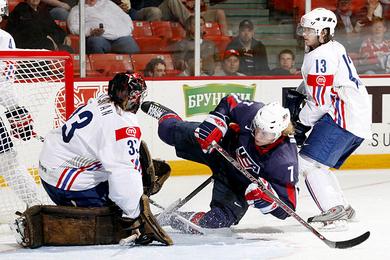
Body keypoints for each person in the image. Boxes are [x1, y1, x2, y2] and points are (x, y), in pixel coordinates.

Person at [29, 73, 172, 247]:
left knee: (123, 185)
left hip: (53, 164)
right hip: (64, 181)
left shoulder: (101, 100)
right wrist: (133, 215)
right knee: (113, 218)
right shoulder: (123, 125)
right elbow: (124, 172)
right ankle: (47, 223)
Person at [141, 95, 299, 231]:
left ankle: (173, 218)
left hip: (236, 184)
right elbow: (230, 101)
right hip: (217, 146)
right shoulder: (253, 112)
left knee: (215, 222)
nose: (257, 135)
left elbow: (288, 208)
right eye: (256, 128)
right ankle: (165, 115)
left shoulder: (284, 162)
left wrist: (267, 200)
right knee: (167, 131)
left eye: (265, 133)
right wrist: (217, 123)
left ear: (279, 133)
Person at [290, 8, 371, 228]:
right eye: (304, 29)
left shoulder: (320, 55)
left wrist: (299, 124)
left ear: (324, 32)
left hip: (342, 117)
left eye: (309, 30)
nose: (304, 34)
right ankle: (342, 208)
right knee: (319, 166)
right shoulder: (333, 47)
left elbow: (320, 103)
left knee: (306, 163)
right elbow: (323, 85)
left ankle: (333, 210)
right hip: (354, 118)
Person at [0, 0, 44, 214]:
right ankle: (35, 209)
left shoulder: (4, 38)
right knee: (9, 165)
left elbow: (3, 82)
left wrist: (14, 111)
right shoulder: (4, 38)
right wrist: (14, 110)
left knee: (9, 163)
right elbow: (4, 84)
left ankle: (35, 208)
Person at [67, 0, 140, 54]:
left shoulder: (108, 3)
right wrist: (90, 31)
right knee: (95, 42)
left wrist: (127, 29)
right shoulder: (76, 9)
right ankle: (100, 72)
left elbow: (125, 17)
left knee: (131, 45)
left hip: (120, 36)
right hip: (98, 37)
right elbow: (73, 27)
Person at [5, 0, 73, 52]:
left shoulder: (42, 11)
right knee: (47, 44)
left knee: (67, 50)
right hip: (25, 48)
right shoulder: (21, 9)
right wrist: (48, 38)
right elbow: (30, 29)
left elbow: (53, 26)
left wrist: (64, 35)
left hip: (45, 45)